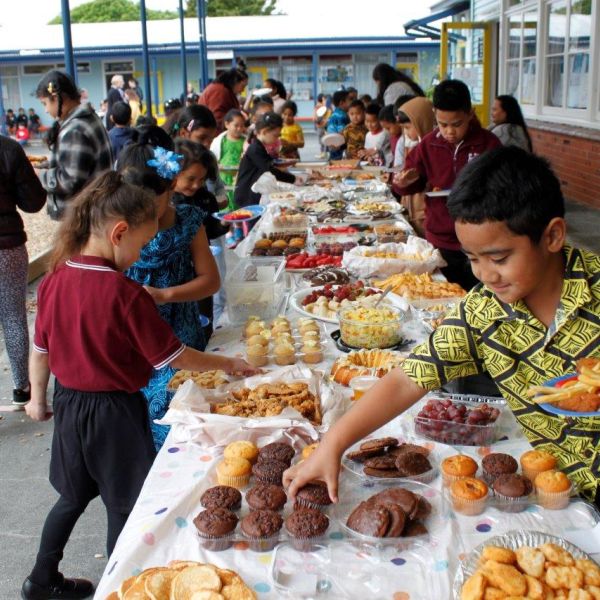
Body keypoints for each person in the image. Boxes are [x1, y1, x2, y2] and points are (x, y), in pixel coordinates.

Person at [285, 146, 600, 511]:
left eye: (499, 258)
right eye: (472, 260)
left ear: (552, 236)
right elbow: (408, 378)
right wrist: (333, 445)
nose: (484, 274)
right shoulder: (482, 312)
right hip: (561, 496)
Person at [21, 171, 257, 600]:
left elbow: (40, 350)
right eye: (141, 244)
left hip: (70, 406)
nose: (141, 253)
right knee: (125, 506)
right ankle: (123, 586)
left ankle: (40, 579)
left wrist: (38, 399)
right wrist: (229, 363)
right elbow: (176, 358)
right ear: (119, 232)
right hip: (115, 412)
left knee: (72, 496)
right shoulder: (123, 292)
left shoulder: (54, 278)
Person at [121, 144, 220, 449]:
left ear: (170, 186)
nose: (144, 211)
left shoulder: (189, 221)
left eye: (153, 200)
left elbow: (211, 280)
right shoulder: (118, 225)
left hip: (180, 334)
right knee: (135, 420)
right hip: (132, 338)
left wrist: (164, 295)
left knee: (179, 410)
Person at [394, 79, 501, 291]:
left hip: (480, 239)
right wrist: (404, 182)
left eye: (457, 124)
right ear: (434, 114)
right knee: (443, 295)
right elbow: (407, 185)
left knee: (480, 297)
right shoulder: (428, 144)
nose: (449, 132)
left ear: (469, 114)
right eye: (443, 125)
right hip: (440, 238)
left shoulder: (489, 144)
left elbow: (504, 189)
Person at [0, 134, 46, 407]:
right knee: (13, 316)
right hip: (8, 247)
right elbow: (33, 202)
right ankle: (21, 388)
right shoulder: (9, 148)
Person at [35, 70, 112, 220]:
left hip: (83, 215)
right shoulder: (88, 118)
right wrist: (44, 165)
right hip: (96, 208)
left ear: (58, 98)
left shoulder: (75, 129)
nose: (45, 110)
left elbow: (69, 180)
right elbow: (75, 165)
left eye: (45, 103)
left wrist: (39, 174)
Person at [172, 138, 228, 338]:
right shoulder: (165, 204)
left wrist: (224, 224)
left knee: (204, 324)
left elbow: (210, 229)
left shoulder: (204, 197)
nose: (197, 185)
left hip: (201, 273)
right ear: (173, 173)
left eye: (202, 180)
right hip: (176, 280)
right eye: (190, 178)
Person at [392, 96, 435, 237]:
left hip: (426, 214)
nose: (405, 132)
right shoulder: (413, 146)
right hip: (413, 212)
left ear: (422, 123)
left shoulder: (432, 148)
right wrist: (400, 182)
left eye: (408, 127)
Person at [234, 112, 296, 208]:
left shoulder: (258, 146)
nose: (277, 139)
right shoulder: (255, 149)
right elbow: (269, 169)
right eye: (275, 135)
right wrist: (293, 179)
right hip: (246, 196)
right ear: (264, 132)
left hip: (252, 193)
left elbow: (269, 164)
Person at [210, 108, 246, 210]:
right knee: (224, 205)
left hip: (239, 178)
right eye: (236, 125)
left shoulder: (245, 141)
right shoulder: (219, 141)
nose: (239, 128)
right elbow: (214, 157)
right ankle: (224, 225)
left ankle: (238, 225)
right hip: (223, 178)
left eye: (242, 125)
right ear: (227, 124)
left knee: (239, 206)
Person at [326, 90, 351, 160]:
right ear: (342, 103)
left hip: (332, 148)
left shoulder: (333, 114)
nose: (352, 102)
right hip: (339, 150)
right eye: (350, 100)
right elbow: (343, 134)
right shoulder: (342, 116)